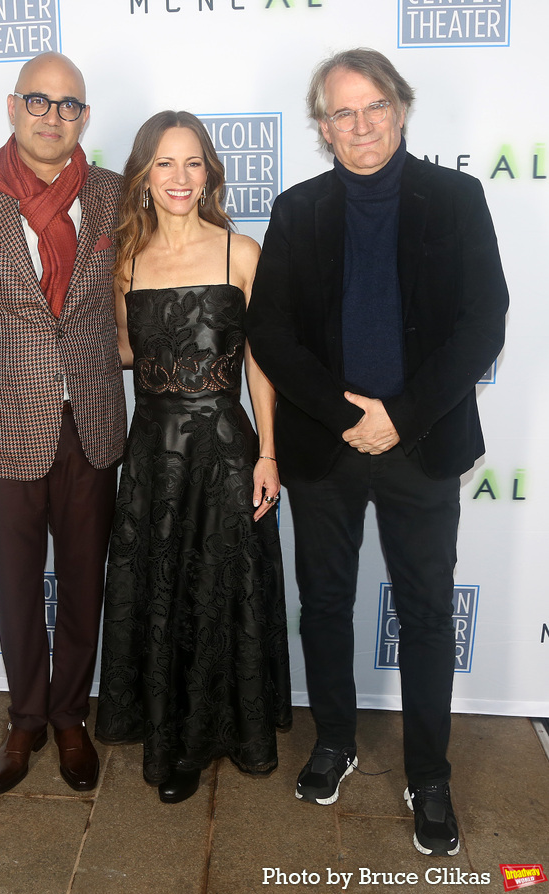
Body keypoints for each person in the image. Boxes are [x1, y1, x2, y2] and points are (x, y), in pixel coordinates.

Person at [246, 49, 508, 855]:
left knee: (427, 613)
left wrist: (399, 415)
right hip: (325, 447)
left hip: (421, 442)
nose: (359, 125)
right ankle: (334, 740)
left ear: (400, 108)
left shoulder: (458, 198)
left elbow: (483, 321)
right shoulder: (296, 211)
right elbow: (271, 333)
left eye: (374, 107)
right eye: (341, 113)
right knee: (323, 605)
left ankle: (430, 774)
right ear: (322, 127)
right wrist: (342, 414)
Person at [0, 52, 125, 795]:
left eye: (68, 104)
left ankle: (72, 716)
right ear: (13, 108)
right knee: (14, 585)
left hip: (95, 426)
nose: (52, 115)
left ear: (85, 119)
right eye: (38, 101)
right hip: (3, 429)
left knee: (83, 582)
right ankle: (25, 719)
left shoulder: (112, 197)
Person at [95, 111, 292, 804]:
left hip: (222, 448)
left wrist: (269, 453)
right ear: (144, 176)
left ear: (209, 172)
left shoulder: (242, 251)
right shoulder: (125, 259)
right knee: (164, 594)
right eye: (164, 164)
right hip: (151, 452)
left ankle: (230, 729)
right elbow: (125, 350)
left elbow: (262, 363)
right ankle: (173, 738)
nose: (179, 178)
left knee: (221, 589)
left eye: (193, 163)